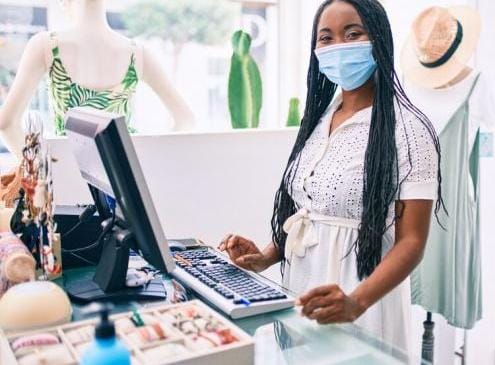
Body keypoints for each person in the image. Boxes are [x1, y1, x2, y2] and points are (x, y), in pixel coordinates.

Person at [219, 0, 442, 351]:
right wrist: (265, 256)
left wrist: (356, 302)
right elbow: (311, 213)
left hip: (361, 303)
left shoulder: (409, 129)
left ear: (379, 40)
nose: (338, 45)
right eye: (326, 38)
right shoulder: (321, 119)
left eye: (352, 34)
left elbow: (412, 242)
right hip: (303, 298)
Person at [0, 0, 195, 161]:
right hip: (124, 189)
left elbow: (7, 124)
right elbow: (185, 119)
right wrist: (149, 166)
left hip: (71, 189)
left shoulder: (46, 45)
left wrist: (42, 176)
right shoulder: (138, 54)